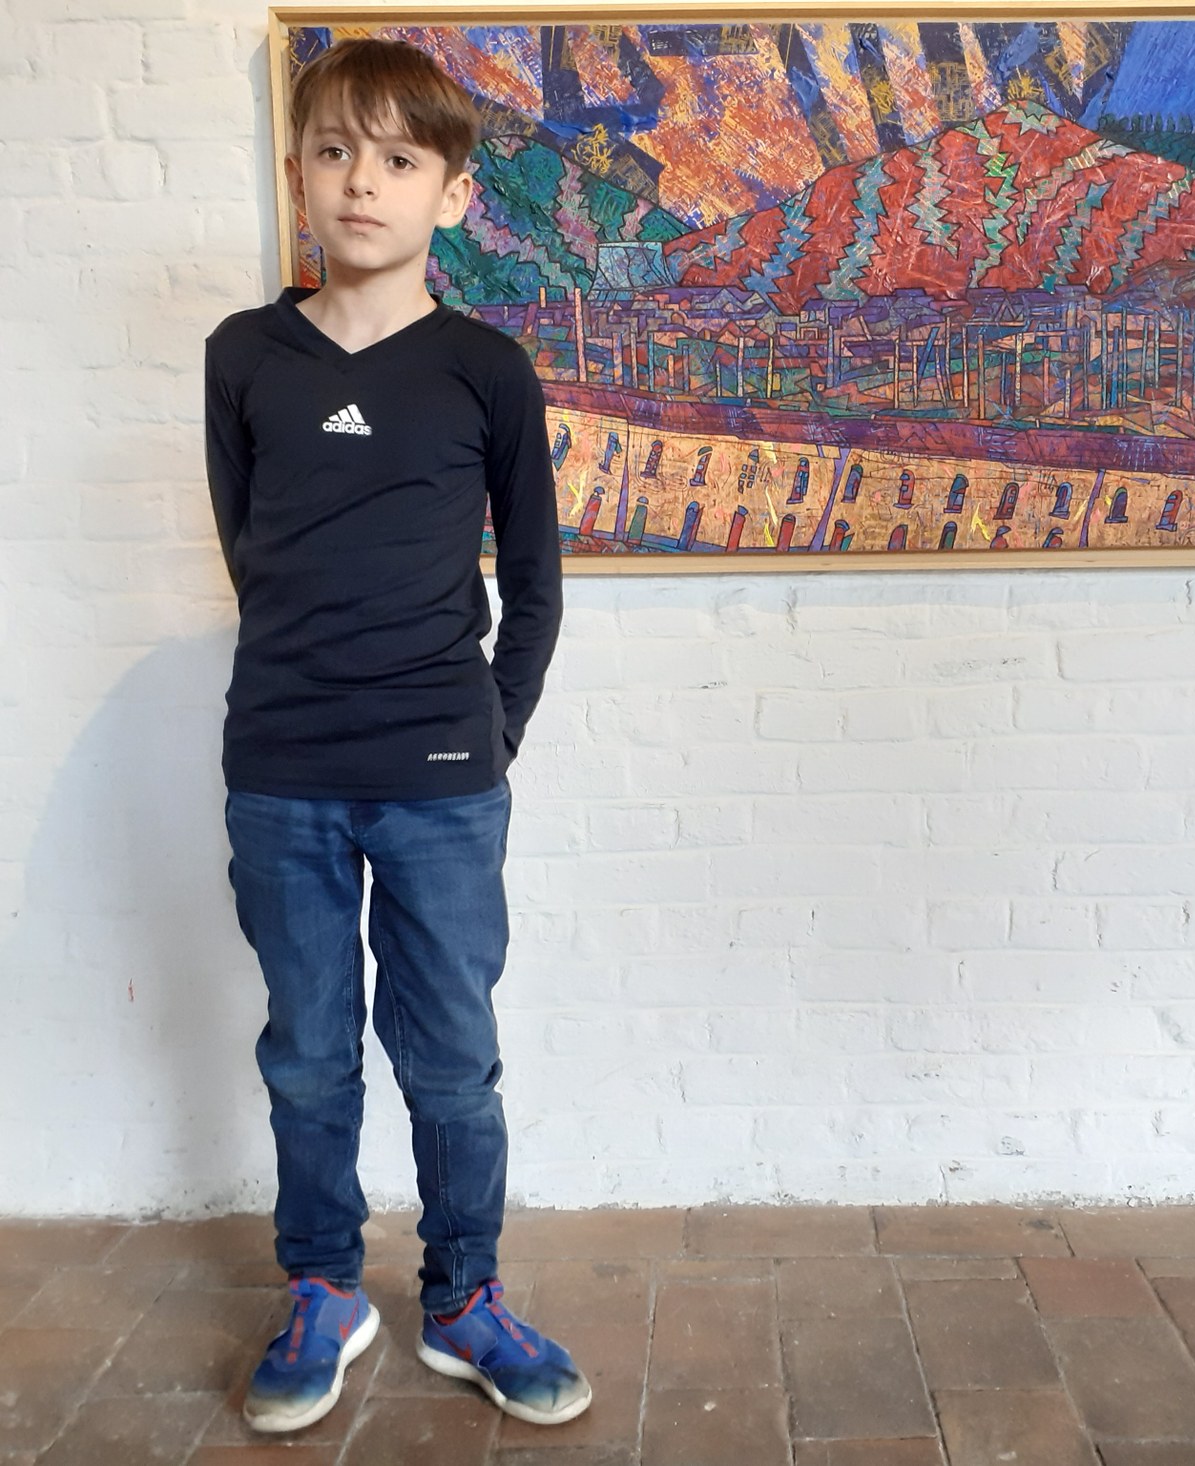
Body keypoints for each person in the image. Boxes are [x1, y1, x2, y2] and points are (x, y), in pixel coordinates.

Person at [203, 36, 588, 1433]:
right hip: (282, 774)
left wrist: (490, 733)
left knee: (452, 1061)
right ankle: (324, 1287)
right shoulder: (244, 356)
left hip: (441, 780)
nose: (362, 182)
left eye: (399, 158)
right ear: (298, 173)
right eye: (334, 152)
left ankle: (465, 1297)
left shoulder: (487, 368)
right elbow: (252, 551)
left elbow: (535, 582)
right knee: (308, 1052)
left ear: (453, 195)